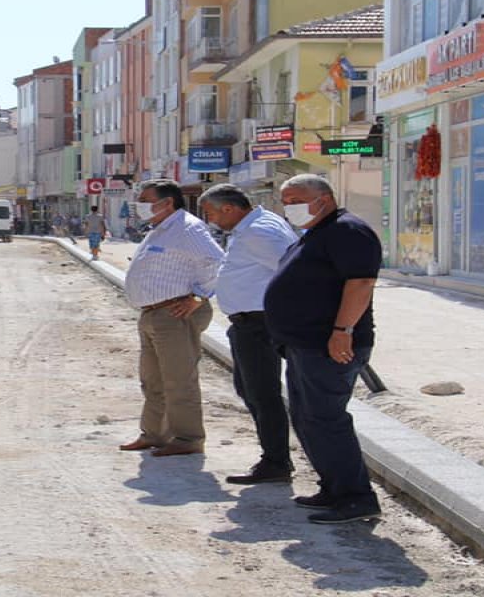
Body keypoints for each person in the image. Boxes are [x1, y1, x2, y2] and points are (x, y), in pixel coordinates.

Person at [263, 174, 382, 525]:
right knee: (307, 418)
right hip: (304, 345)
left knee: (326, 420)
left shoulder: (348, 230)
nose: (289, 208)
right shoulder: (315, 233)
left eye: (296, 199)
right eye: (285, 201)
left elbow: (361, 283)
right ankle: (334, 487)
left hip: (330, 345)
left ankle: (356, 497)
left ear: (324, 198)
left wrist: (342, 330)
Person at [199, 184, 299, 485]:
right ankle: (274, 457)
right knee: (250, 391)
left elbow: (293, 273)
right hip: (247, 323)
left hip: (260, 323)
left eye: (211, 214)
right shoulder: (252, 227)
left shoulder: (260, 232)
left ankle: (277, 461)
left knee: (262, 394)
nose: (211, 221)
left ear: (228, 209)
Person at [120, 179, 224, 457]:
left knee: (179, 380)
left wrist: (199, 296)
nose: (139, 205)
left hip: (174, 314)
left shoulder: (187, 228)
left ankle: (188, 437)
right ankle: (154, 433)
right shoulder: (160, 229)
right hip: (153, 314)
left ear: (167, 203)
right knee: (152, 380)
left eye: (145, 199)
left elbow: (217, 262)